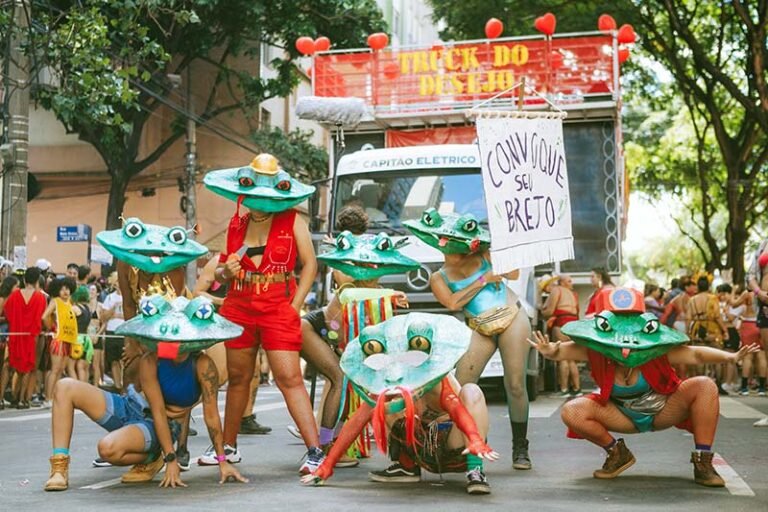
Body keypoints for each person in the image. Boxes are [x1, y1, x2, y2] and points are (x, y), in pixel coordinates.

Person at [528, 287, 760, 487]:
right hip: (621, 415)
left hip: (663, 410)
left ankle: (703, 462)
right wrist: (549, 351)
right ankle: (617, 454)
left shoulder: (655, 348)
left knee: (705, 386)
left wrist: (730, 357)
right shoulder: (595, 350)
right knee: (572, 410)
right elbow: (561, 351)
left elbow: (696, 354)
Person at [43, 293, 247, 491]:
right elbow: (155, 405)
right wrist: (172, 458)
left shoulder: (203, 365)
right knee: (65, 386)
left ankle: (153, 456)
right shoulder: (152, 359)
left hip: (159, 426)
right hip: (130, 407)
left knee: (107, 449)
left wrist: (220, 461)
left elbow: (209, 415)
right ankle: (59, 469)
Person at [205, 153, 321, 473]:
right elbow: (219, 275)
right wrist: (224, 272)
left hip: (277, 305)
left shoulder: (293, 219)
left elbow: (310, 264)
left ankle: (315, 451)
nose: (260, 199)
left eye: (266, 193)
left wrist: (295, 306)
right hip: (239, 304)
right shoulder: (237, 223)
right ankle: (228, 448)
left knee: (289, 378)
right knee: (239, 377)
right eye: (254, 193)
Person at [302, 313, 499, 495]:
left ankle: (475, 470)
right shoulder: (391, 377)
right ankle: (406, 466)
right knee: (380, 400)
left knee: (472, 391)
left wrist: (474, 439)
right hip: (419, 446)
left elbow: (456, 409)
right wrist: (327, 466)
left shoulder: (437, 376)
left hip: (454, 447)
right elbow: (358, 420)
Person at [404, 208, 533, 470]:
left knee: (516, 384)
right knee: (461, 386)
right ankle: (462, 444)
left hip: (512, 316)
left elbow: (515, 274)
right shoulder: (438, 276)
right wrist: (484, 281)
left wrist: (501, 249)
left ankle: (520, 446)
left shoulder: (483, 254)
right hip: (478, 326)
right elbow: (452, 302)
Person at [194, 253, 272, 445]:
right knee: (218, 375)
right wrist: (224, 301)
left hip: (245, 324)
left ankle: (245, 418)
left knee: (252, 371)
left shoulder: (258, 261)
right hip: (220, 323)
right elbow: (197, 292)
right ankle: (179, 414)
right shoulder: (218, 261)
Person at [540, 274, 582, 397]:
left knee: (562, 357)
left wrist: (542, 311)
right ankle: (576, 389)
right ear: (564, 282)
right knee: (571, 359)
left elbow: (549, 311)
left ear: (560, 282)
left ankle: (564, 389)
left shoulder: (557, 290)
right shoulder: (573, 294)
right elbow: (577, 312)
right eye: (569, 281)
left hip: (561, 325)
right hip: (573, 326)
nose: (571, 283)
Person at [42, 278, 79, 409]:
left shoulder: (70, 303)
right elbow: (44, 316)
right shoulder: (55, 302)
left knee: (61, 370)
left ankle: (54, 396)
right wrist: (51, 327)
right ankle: (47, 398)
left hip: (68, 340)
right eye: (62, 289)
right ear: (57, 290)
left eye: (67, 289)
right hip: (58, 340)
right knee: (55, 369)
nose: (65, 291)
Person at [99, 281, 125, 391]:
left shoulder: (129, 297)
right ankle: (117, 385)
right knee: (113, 359)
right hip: (111, 331)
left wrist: (119, 316)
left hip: (124, 332)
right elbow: (104, 317)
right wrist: (113, 309)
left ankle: (125, 384)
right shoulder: (110, 298)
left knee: (124, 360)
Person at [0, 275, 20, 409]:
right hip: (3, 334)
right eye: (17, 286)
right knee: (4, 365)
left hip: (10, 334)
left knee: (6, 365)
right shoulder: (2, 299)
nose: (18, 288)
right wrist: (8, 319)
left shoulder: (13, 299)